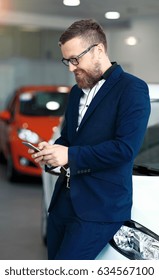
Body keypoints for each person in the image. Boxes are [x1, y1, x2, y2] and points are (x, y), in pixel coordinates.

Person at [29, 19, 150, 260]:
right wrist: (53, 152)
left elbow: (124, 149)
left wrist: (69, 155)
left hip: (100, 208)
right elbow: (68, 139)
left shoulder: (132, 89)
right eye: (67, 61)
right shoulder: (75, 92)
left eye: (75, 59)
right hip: (63, 203)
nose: (71, 68)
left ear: (98, 51)